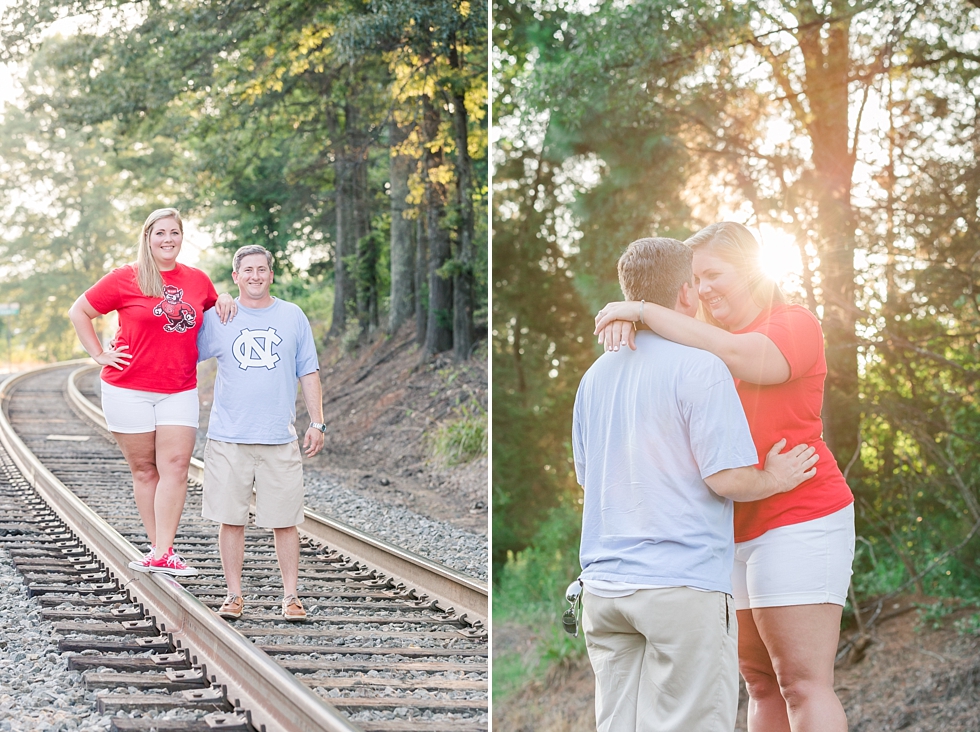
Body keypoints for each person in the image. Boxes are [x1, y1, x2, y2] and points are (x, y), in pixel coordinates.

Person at [593, 222, 855, 732]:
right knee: (758, 682)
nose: (705, 288)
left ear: (754, 272)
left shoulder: (792, 323)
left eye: (715, 273)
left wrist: (644, 312)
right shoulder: (698, 347)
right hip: (726, 529)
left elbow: (749, 358)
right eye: (696, 279)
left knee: (801, 682)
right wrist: (633, 327)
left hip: (799, 514)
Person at [69, 207, 235, 577]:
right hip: (127, 389)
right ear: (148, 237)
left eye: (174, 232)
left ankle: (164, 552)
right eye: (160, 233)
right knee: (145, 471)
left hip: (178, 388)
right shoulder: (125, 277)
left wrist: (223, 295)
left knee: (175, 467)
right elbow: (79, 311)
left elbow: (210, 306)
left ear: (181, 236)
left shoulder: (196, 279)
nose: (168, 239)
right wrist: (98, 353)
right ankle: (156, 547)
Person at [196, 244, 325, 622]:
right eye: (247, 270)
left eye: (261, 270)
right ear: (236, 277)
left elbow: (309, 371)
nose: (255, 276)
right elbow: (181, 350)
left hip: (279, 437)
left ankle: (290, 597)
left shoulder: (292, 316)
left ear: (271, 274)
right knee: (230, 519)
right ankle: (234, 595)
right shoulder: (220, 317)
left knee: (286, 520)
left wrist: (316, 421)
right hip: (228, 436)